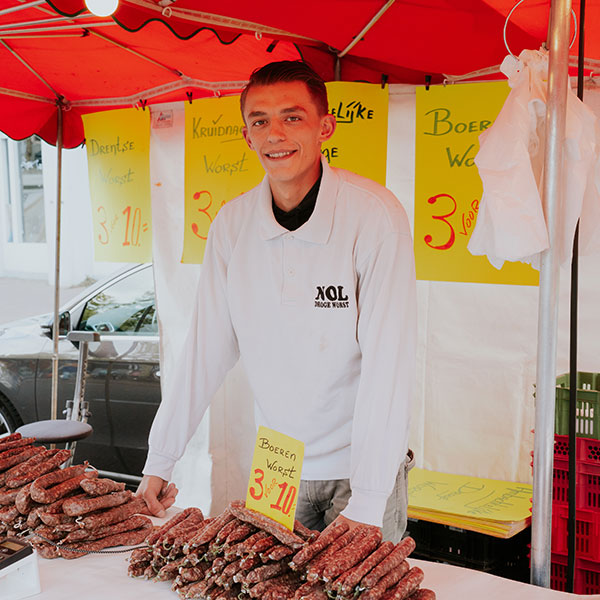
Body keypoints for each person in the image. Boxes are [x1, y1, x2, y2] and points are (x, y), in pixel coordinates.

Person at [137, 60, 417, 542]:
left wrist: (369, 500)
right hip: (278, 465)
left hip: (360, 468)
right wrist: (160, 460)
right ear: (247, 135)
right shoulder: (231, 225)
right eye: (260, 121)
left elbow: (388, 365)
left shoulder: (373, 216)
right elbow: (204, 351)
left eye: (293, 117)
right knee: (269, 589)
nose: (275, 134)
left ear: (325, 126)